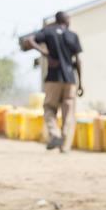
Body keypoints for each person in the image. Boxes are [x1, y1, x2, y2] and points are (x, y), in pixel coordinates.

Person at [25, 11, 83, 153]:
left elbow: (29, 40)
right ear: (66, 20)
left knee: (49, 108)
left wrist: (44, 53)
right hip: (70, 79)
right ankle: (65, 146)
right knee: (68, 113)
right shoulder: (72, 35)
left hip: (53, 77)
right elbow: (78, 60)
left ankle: (55, 135)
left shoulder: (48, 32)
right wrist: (80, 82)